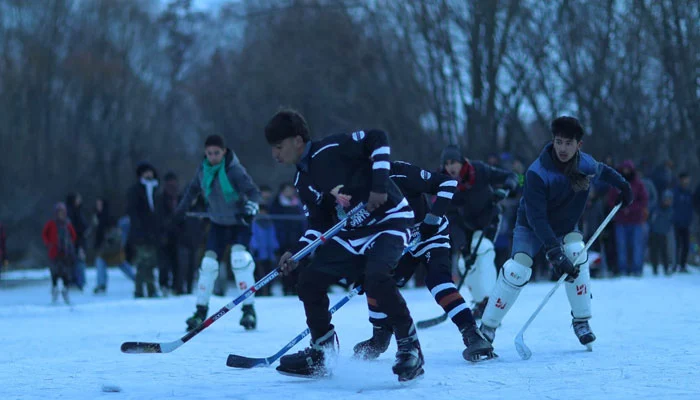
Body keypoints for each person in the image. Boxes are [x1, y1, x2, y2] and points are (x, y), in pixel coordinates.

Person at [265, 109, 423, 382]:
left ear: (297, 140)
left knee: (376, 277)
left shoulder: (333, 148)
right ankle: (322, 353)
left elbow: (378, 137)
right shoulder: (302, 181)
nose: (275, 155)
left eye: (279, 147)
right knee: (309, 280)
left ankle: (410, 347)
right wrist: (297, 253)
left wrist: (380, 186)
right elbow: (318, 225)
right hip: (354, 234)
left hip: (391, 221)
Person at [478, 116, 632, 349]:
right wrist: (553, 252)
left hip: (565, 227)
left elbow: (605, 172)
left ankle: (581, 321)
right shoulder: (537, 173)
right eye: (558, 142)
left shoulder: (585, 164)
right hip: (531, 226)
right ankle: (487, 327)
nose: (562, 148)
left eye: (568, 143)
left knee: (576, 253)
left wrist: (624, 186)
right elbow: (537, 218)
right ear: (553, 141)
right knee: (517, 269)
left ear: (578, 145)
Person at [353, 161, 495, 363]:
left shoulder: (401, 172)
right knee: (373, 280)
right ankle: (380, 336)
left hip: (429, 235)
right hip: (398, 242)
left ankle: (473, 334)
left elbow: (447, 184)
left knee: (438, 281)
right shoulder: (355, 190)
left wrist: (433, 217)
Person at [174, 134, 262, 331]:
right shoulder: (203, 170)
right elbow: (192, 190)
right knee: (208, 264)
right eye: (209, 153)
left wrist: (251, 206)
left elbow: (254, 192)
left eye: (216, 153)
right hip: (218, 224)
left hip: (239, 223)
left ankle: (249, 310)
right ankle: (200, 311)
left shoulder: (234, 170)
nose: (213, 156)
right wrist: (180, 210)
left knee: (239, 260)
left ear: (224, 151)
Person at [439, 144, 519, 319]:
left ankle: (492, 301)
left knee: (482, 249)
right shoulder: (444, 184)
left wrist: (505, 189)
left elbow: (514, 177)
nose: (450, 167)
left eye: (453, 162)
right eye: (446, 164)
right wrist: (462, 247)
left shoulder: (480, 170)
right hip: (465, 227)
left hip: (488, 220)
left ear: (461, 162)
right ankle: (480, 302)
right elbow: (452, 219)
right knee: (464, 263)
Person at [127, 162, 163, 298]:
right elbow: (132, 212)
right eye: (146, 172)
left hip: (154, 233)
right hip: (140, 232)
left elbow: (159, 212)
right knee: (142, 263)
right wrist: (139, 229)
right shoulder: (135, 190)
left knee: (151, 263)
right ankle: (139, 290)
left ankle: (151, 289)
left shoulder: (157, 189)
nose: (149, 174)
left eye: (150, 172)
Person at [606, 161, 649, 276]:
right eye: (624, 169)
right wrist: (620, 207)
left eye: (628, 169)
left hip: (636, 221)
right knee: (621, 246)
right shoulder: (616, 184)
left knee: (637, 245)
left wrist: (632, 208)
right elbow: (610, 200)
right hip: (620, 221)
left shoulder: (638, 184)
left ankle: (637, 269)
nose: (626, 172)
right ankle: (622, 269)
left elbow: (644, 200)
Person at [268, 182, 306, 295]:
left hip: (297, 238)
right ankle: (286, 287)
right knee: (284, 264)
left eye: (291, 190)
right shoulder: (275, 205)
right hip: (281, 239)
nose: (289, 192)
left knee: (299, 263)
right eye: (286, 190)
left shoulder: (299, 204)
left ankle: (297, 287)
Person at [93, 198, 135, 294]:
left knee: (121, 264)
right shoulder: (98, 217)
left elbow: (111, 232)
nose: (98, 206)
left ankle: (136, 279)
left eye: (100, 204)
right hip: (106, 248)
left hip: (111, 246)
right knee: (103, 262)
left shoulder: (107, 217)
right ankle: (101, 284)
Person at [42, 202, 77, 304]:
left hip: (65, 254)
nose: (61, 214)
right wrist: (48, 244)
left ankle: (65, 292)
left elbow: (73, 235)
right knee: (54, 273)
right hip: (54, 253)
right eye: (59, 212)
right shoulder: (51, 223)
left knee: (66, 274)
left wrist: (70, 245)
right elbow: (44, 234)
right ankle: (55, 291)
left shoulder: (68, 224)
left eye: (63, 212)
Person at [249, 204, 279, 296]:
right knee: (258, 273)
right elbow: (253, 236)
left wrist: (275, 247)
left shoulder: (270, 223)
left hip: (269, 253)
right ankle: (259, 291)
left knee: (269, 272)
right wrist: (255, 248)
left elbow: (273, 236)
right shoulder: (254, 223)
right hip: (258, 253)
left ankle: (268, 290)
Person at [649, 190, 674, 275]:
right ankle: (655, 269)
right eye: (666, 199)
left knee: (664, 252)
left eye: (669, 200)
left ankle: (666, 268)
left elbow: (670, 222)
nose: (668, 202)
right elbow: (651, 219)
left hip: (664, 233)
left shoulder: (671, 211)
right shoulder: (656, 208)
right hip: (655, 233)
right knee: (654, 251)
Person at [66, 193, 88, 290]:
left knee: (77, 261)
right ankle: (78, 282)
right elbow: (77, 229)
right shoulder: (72, 213)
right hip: (75, 241)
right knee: (78, 261)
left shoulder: (77, 212)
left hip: (77, 240)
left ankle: (76, 281)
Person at [673, 173, 694, 273]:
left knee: (686, 245)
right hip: (676, 224)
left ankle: (683, 265)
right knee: (676, 245)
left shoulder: (689, 193)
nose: (686, 181)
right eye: (684, 179)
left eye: (687, 179)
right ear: (680, 180)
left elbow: (691, 208)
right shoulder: (675, 192)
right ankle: (674, 264)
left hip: (686, 224)